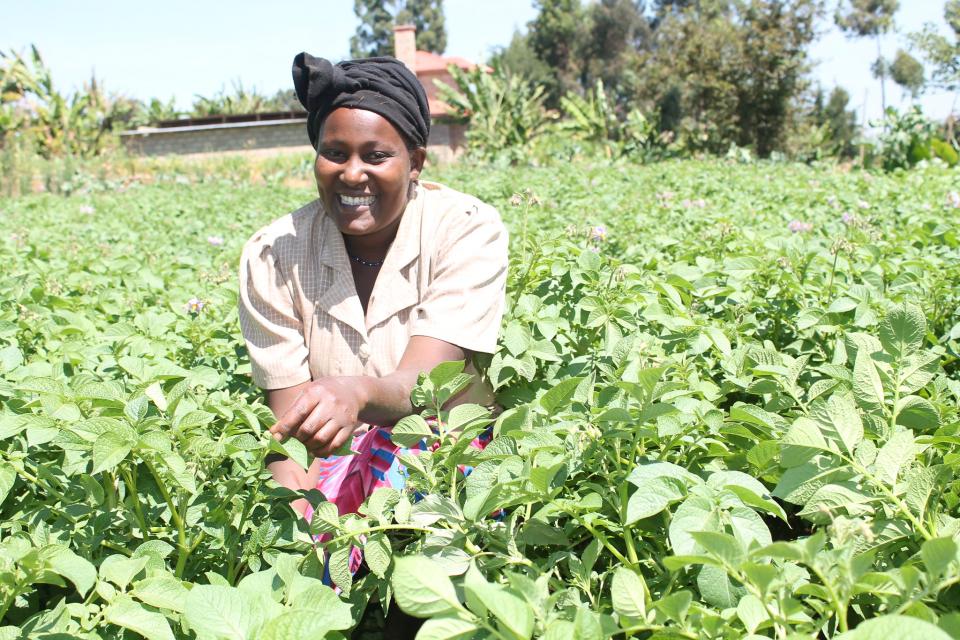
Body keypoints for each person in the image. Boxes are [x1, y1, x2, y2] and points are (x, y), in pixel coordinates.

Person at [238, 53, 508, 524]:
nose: (352, 173)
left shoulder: (465, 229)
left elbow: (427, 390)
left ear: (415, 162)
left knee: (414, 456)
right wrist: (297, 545)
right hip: (332, 471)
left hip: (445, 463)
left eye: (377, 155)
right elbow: (294, 443)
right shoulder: (273, 255)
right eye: (335, 153)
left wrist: (357, 393)